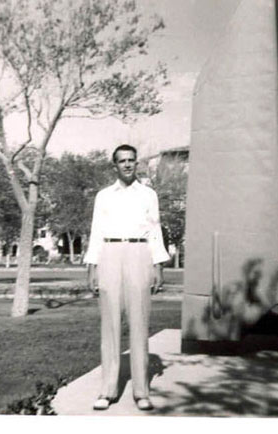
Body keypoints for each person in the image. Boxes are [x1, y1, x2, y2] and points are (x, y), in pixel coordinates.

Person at [85, 144, 170, 411]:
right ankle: (107, 390)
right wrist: (92, 267)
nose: (127, 164)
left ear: (137, 163)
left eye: (131, 160)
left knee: (139, 322)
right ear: (115, 165)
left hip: (139, 254)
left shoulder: (148, 194)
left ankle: (141, 391)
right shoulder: (104, 196)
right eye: (122, 161)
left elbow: (155, 230)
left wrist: (158, 265)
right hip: (109, 253)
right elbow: (96, 231)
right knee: (110, 324)